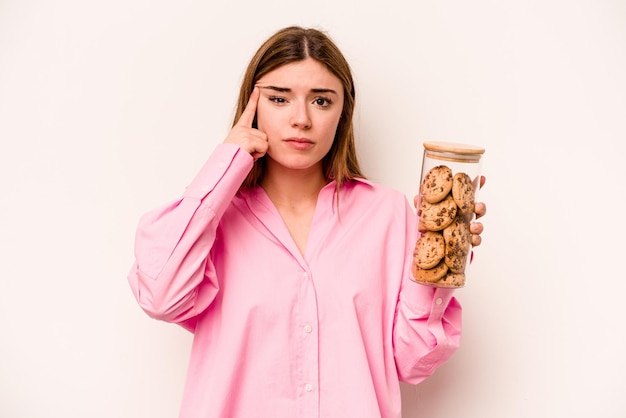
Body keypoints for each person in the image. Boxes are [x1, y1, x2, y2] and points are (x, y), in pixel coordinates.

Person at [128, 26, 487, 418]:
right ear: (252, 106)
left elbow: (412, 359)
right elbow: (161, 295)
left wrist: (439, 266)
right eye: (279, 99)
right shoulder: (210, 222)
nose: (301, 119)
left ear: (342, 112)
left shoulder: (389, 215)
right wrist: (226, 163)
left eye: (320, 100)